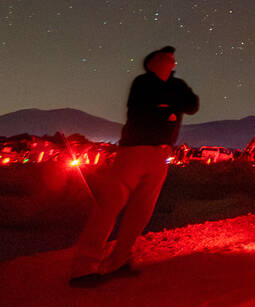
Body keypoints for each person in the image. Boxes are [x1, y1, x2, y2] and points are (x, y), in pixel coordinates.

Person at [70, 47, 199, 287]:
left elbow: (191, 105)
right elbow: (151, 108)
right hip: (134, 150)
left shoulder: (176, 85)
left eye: (171, 60)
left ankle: (119, 260)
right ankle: (84, 266)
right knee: (109, 206)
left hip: (160, 153)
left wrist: (168, 107)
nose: (170, 63)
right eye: (165, 59)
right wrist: (170, 108)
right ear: (152, 63)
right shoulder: (143, 83)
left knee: (141, 211)